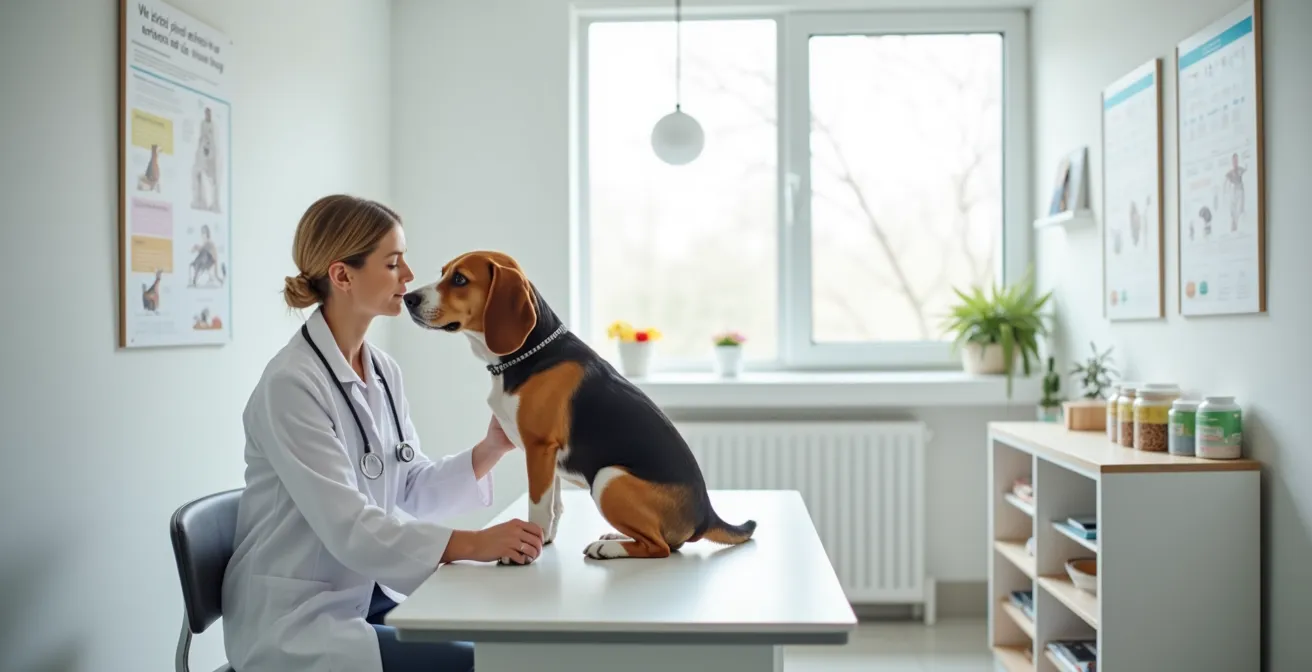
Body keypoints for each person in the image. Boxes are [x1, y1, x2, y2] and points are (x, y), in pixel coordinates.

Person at [221, 194, 544, 672]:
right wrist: (477, 543)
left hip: (362, 595)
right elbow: (349, 527)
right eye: (393, 263)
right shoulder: (290, 386)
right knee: (486, 664)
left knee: (501, 647)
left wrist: (492, 447)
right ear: (343, 276)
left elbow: (408, 484)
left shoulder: (382, 370)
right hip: (296, 621)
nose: (410, 276)